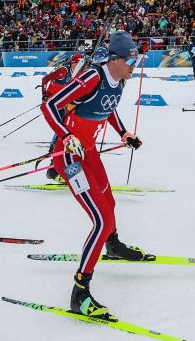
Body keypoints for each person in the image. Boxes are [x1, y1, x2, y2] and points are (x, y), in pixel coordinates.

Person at [41, 31, 149, 322]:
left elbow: (108, 107)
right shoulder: (92, 77)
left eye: (136, 61)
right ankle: (80, 292)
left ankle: (112, 245)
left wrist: (124, 133)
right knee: (101, 220)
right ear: (114, 59)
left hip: (88, 152)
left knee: (109, 204)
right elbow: (50, 105)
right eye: (130, 61)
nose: (134, 66)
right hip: (70, 156)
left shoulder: (120, 80)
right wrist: (66, 136)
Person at [40, 52, 86, 182]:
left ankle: (58, 162)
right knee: (63, 128)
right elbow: (45, 79)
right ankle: (54, 162)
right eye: (76, 64)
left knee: (66, 128)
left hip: (64, 103)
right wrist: (44, 94)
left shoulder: (80, 73)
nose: (78, 67)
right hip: (52, 103)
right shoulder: (63, 71)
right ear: (72, 63)